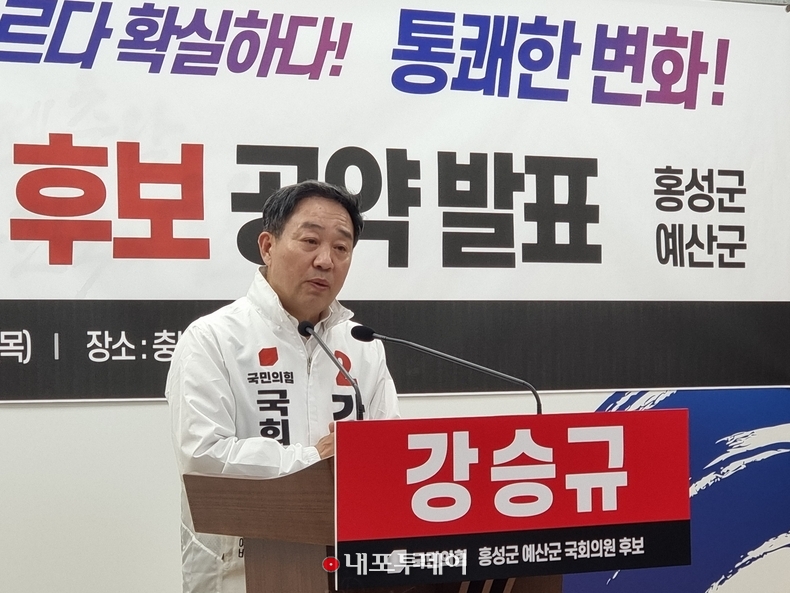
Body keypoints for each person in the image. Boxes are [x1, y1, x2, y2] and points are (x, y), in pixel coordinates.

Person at [165, 180, 400, 593]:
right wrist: (315, 459)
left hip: (348, 564)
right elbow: (203, 456)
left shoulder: (362, 345)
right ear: (267, 246)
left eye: (341, 248)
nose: (325, 260)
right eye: (310, 241)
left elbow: (389, 448)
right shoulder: (213, 338)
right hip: (242, 569)